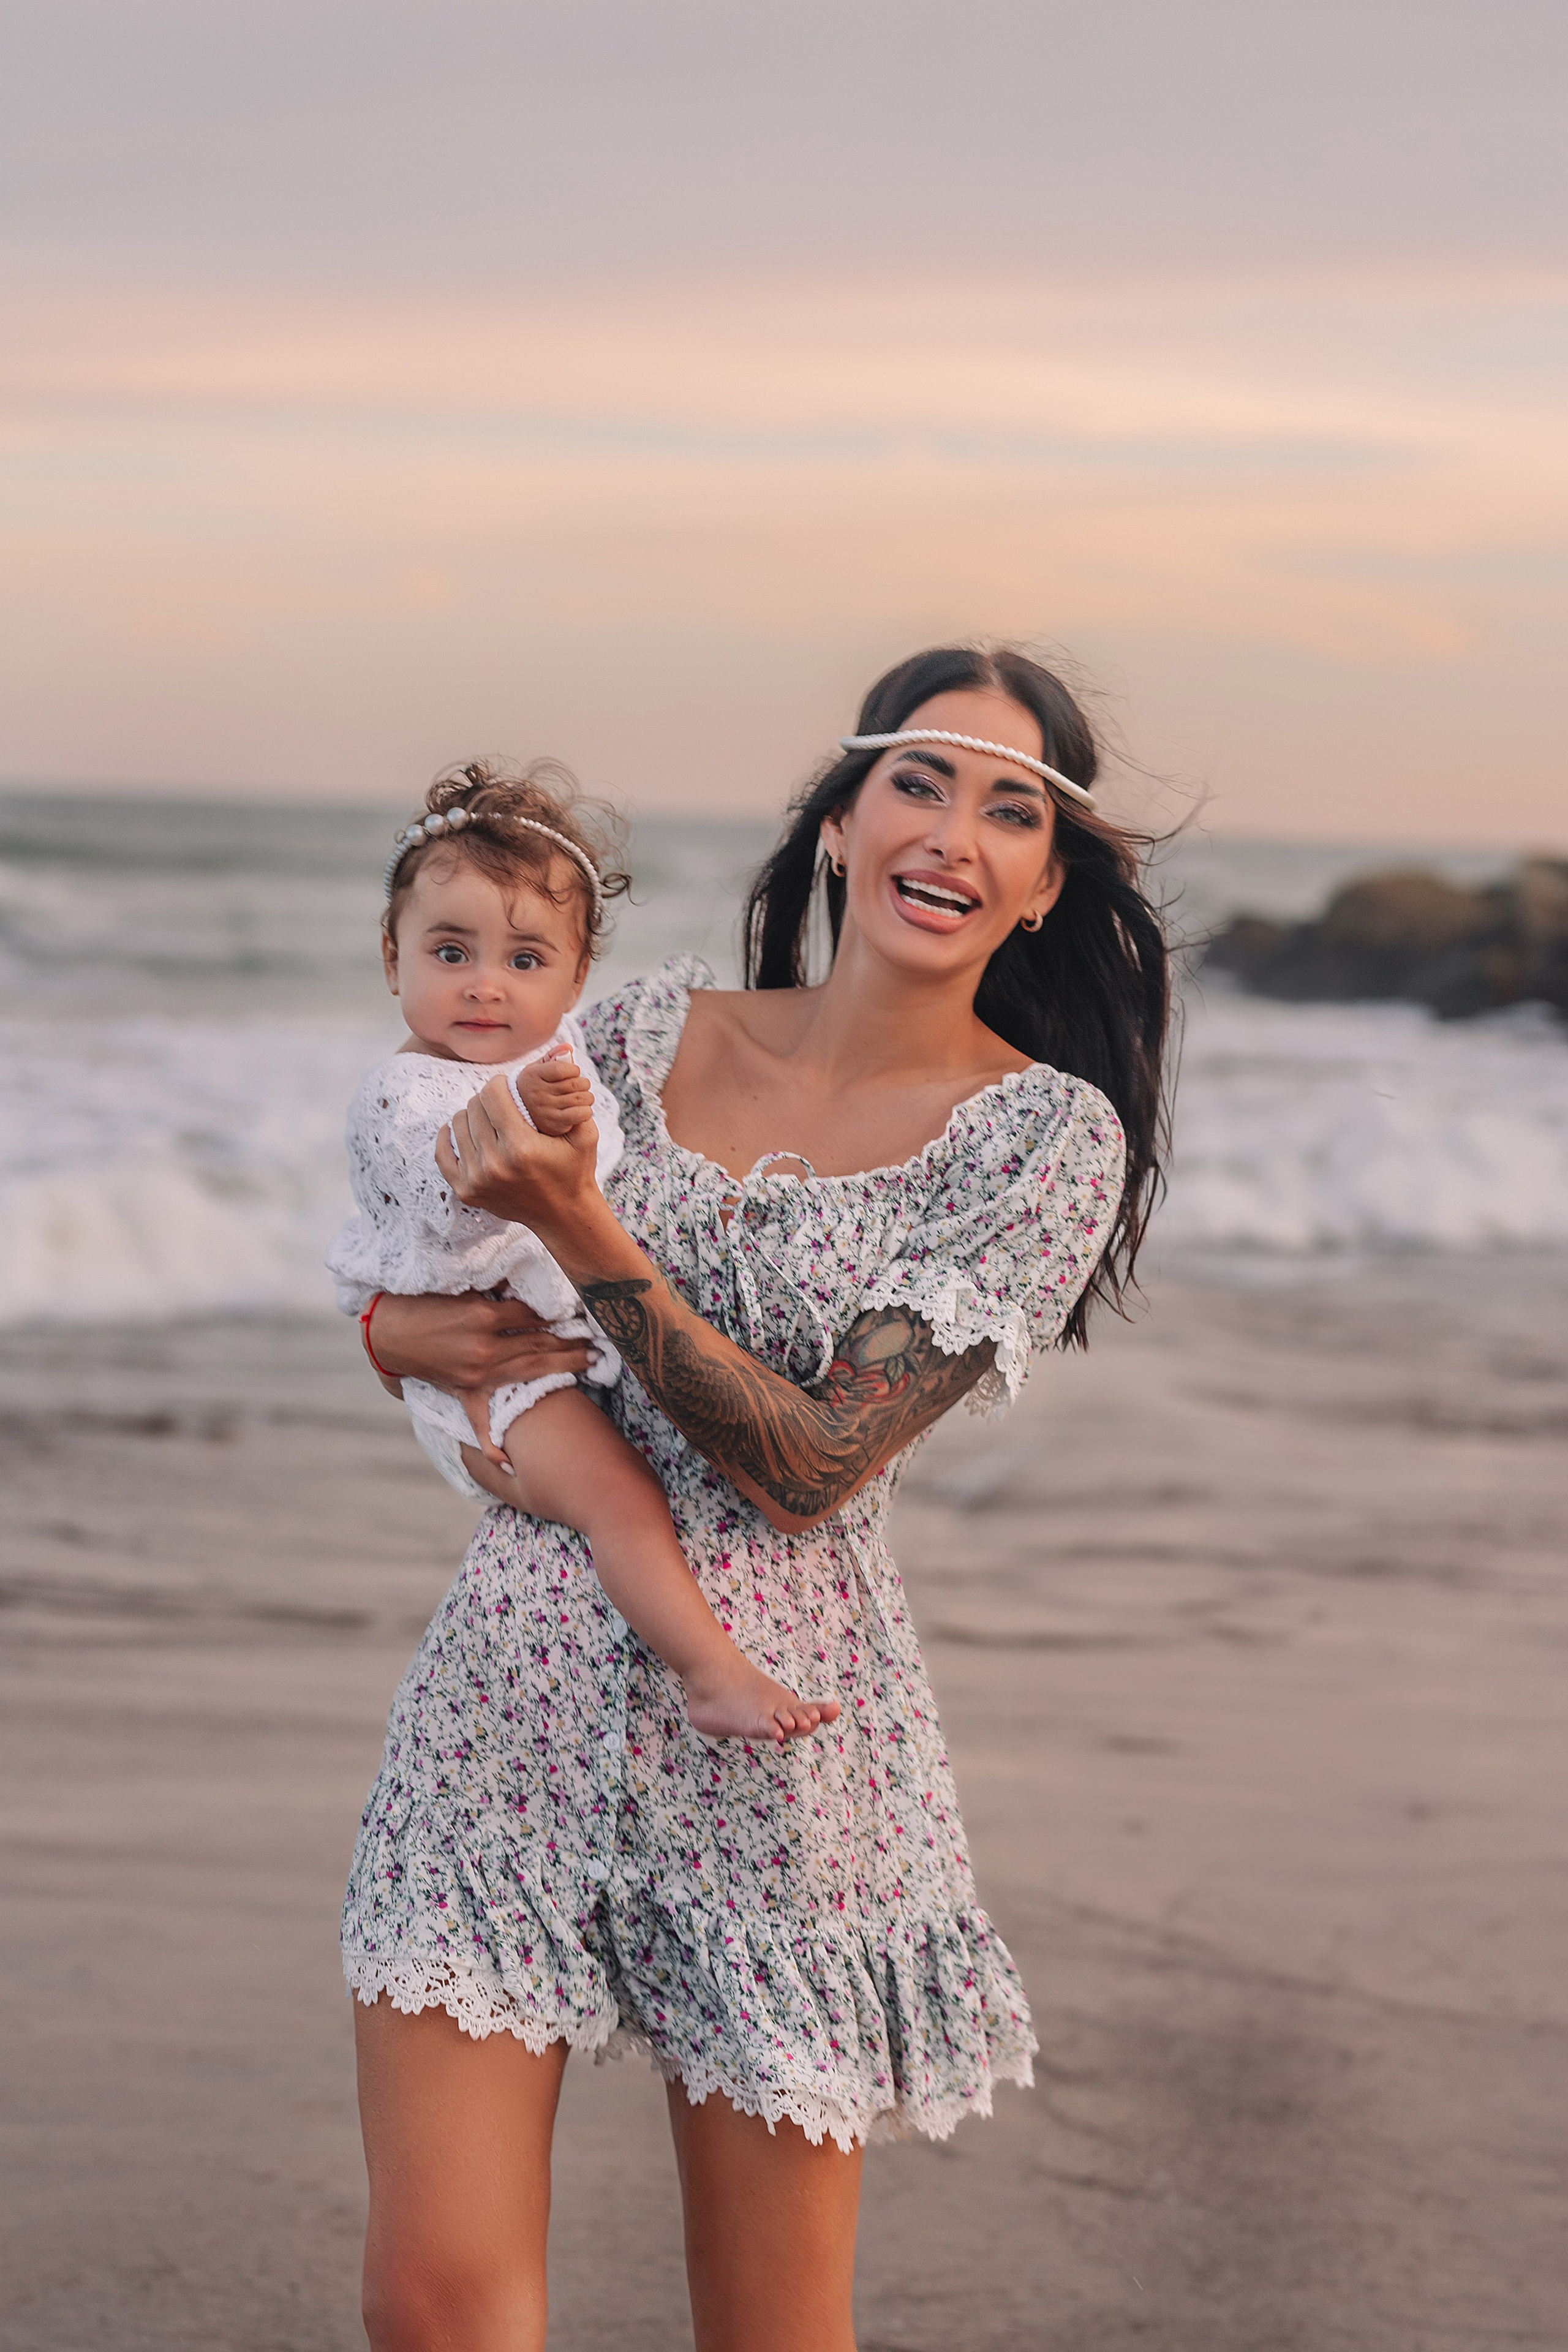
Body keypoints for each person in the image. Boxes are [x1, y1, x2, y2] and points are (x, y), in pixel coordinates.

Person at [342, 647, 1170, 2352]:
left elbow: (808, 1467)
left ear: (1043, 885)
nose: (952, 834)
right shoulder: (634, 1033)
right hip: (513, 1694)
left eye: (1010, 811)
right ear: (842, 822)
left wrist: (585, 1228)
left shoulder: (1042, 1145)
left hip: (780, 1744)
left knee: (769, 2328)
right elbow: (437, 1250)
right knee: (430, 2306)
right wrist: (382, 1330)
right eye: (919, 783)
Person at [325, 760, 835, 1750]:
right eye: (449, 951)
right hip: (495, 1381)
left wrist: (566, 1128)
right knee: (621, 1498)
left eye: (525, 959)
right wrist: (525, 1126)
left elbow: (597, 1182)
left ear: (575, 981)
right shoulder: (402, 1094)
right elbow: (450, 1209)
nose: (484, 983)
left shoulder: (561, 1061)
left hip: (547, 1347)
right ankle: (713, 1673)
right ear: (392, 959)